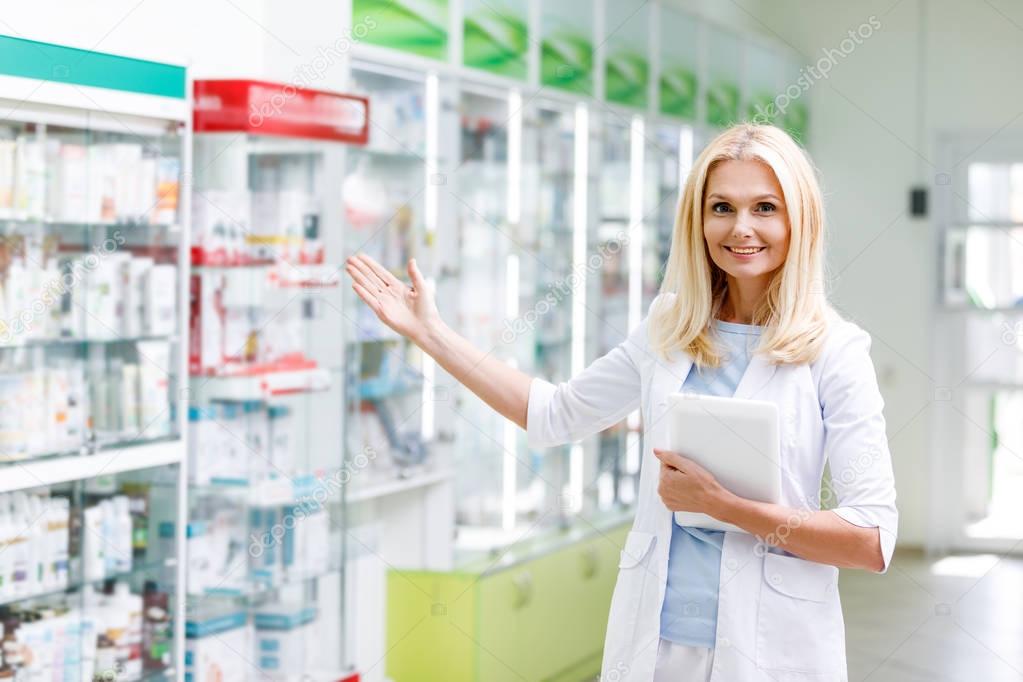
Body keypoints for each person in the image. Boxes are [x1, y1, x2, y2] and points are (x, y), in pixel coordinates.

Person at [344, 122, 898, 682]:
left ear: (798, 219)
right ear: (697, 219)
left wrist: (723, 505)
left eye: (765, 208)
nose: (741, 228)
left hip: (772, 649)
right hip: (655, 646)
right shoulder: (669, 325)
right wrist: (431, 334)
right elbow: (552, 414)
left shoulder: (836, 351)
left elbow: (870, 541)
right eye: (722, 207)